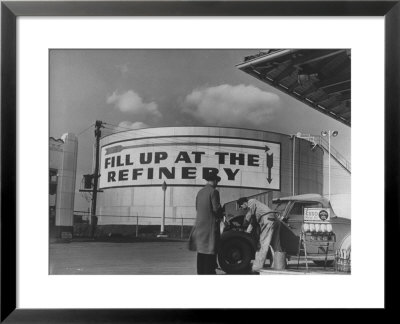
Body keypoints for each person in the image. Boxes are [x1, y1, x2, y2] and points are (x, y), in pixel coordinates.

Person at [189, 174, 223, 274]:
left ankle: (201, 273)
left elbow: (197, 208)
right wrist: (221, 211)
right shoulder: (214, 192)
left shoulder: (200, 192)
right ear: (214, 181)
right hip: (210, 228)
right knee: (210, 253)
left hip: (199, 228)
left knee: (201, 253)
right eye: (217, 181)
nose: (217, 184)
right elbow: (216, 209)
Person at [237, 197, 281, 273]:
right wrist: (248, 231)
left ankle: (257, 267)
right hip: (275, 220)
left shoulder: (251, 202)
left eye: (241, 206)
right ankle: (278, 265)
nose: (242, 208)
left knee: (262, 244)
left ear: (244, 203)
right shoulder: (257, 205)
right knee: (275, 244)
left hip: (268, 220)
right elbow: (253, 221)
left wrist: (244, 224)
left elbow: (250, 216)